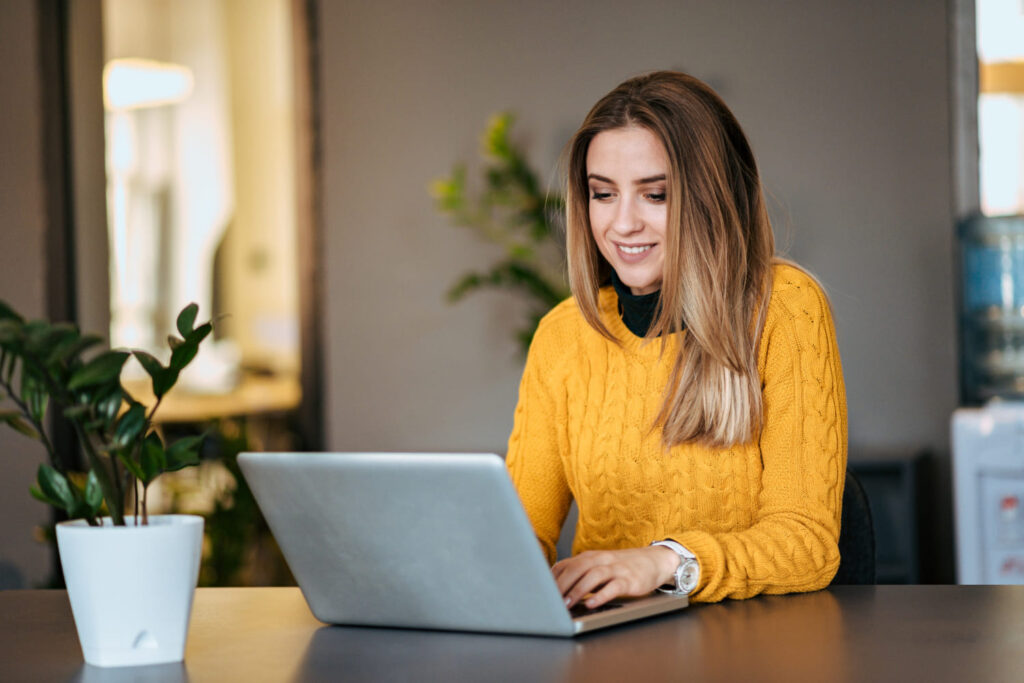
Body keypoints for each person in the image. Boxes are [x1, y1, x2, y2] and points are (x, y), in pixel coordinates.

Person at [505, 71, 847, 608]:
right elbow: (517, 537)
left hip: (752, 648)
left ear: (710, 198)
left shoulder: (784, 308)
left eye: (655, 195)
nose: (622, 224)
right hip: (605, 650)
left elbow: (807, 544)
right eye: (602, 194)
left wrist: (665, 561)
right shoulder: (562, 335)